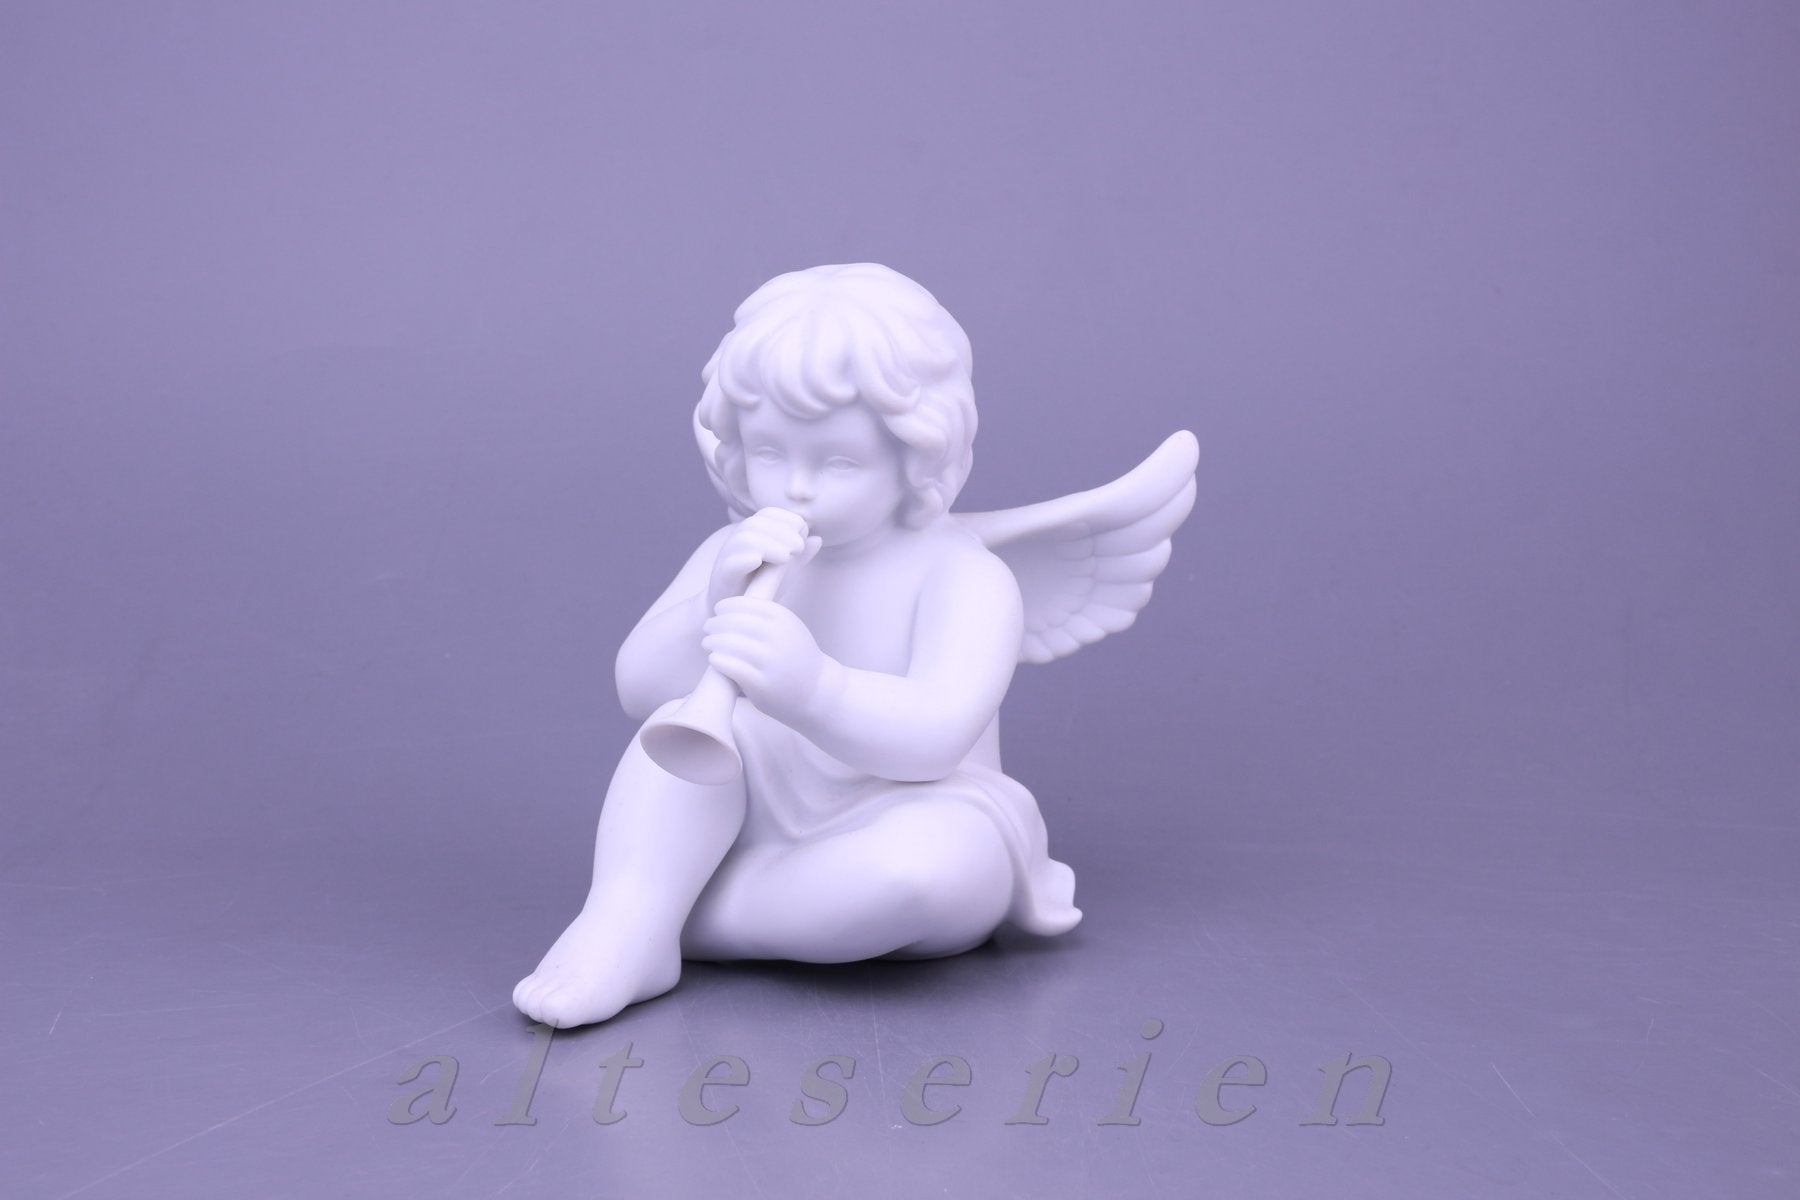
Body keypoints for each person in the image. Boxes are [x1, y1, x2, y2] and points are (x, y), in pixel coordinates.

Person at [513, 264, 1078, 1030]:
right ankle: (631, 918)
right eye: (771, 453)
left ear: (919, 457)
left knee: (927, 873)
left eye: (840, 461)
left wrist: (817, 690)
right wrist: (714, 605)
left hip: (916, 801)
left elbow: (936, 738)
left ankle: (683, 919)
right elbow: (639, 688)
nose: (797, 488)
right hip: (758, 799)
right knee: (675, 738)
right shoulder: (734, 551)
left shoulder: (964, 576)